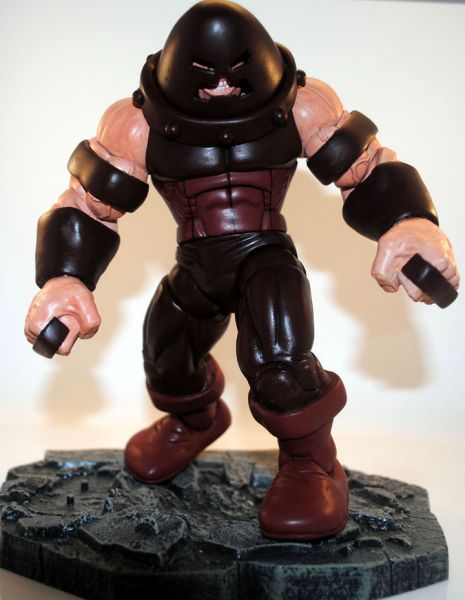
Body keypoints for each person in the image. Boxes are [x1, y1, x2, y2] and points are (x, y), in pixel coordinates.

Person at [24, 0, 459, 541]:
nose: (223, 87)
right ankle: (196, 420)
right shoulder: (135, 124)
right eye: (205, 76)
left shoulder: (302, 105)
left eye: (237, 73)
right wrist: (65, 277)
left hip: (265, 256)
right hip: (196, 264)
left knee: (280, 364)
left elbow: (366, 168)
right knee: (165, 355)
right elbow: (88, 205)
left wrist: (408, 221)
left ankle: (311, 461)